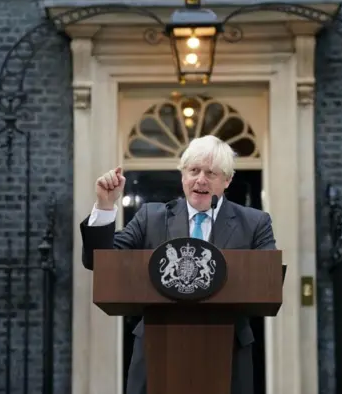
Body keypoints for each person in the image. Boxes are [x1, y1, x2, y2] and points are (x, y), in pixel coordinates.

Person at [80, 134, 277, 394]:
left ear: (227, 180)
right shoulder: (151, 217)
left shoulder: (255, 223)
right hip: (157, 346)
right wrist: (105, 206)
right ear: (183, 175)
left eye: (211, 173)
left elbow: (267, 279)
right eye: (194, 170)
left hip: (227, 348)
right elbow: (100, 260)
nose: (201, 180)